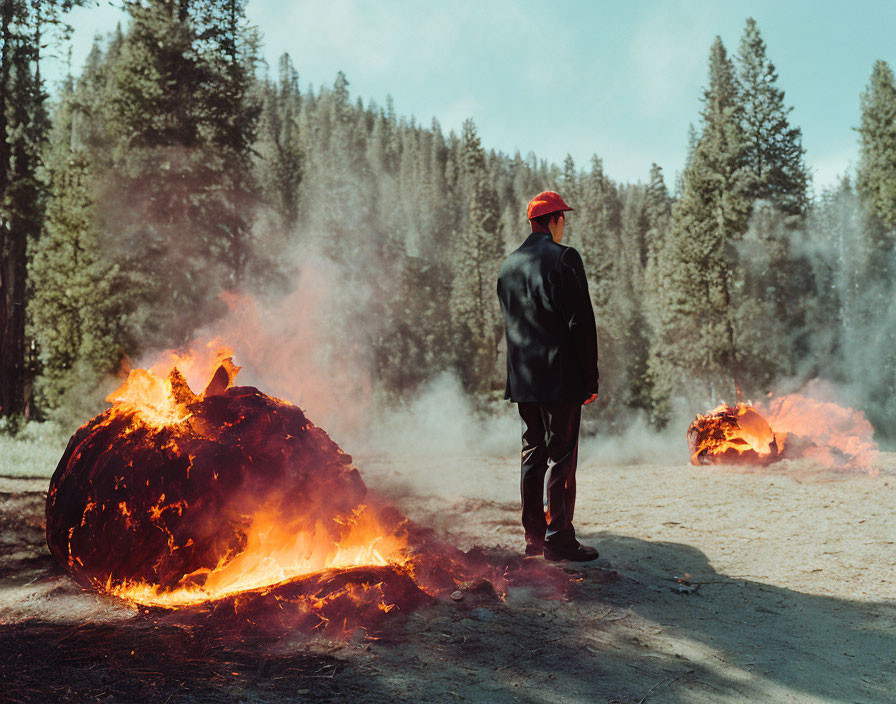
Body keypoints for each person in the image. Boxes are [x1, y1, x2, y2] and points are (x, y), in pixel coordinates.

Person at [496, 190, 599, 562]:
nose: (564, 225)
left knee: (532, 453)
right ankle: (559, 539)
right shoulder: (564, 257)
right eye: (563, 219)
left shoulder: (508, 266)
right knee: (562, 456)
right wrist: (591, 380)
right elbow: (581, 323)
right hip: (562, 379)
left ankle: (533, 538)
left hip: (524, 380)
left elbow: (514, 324)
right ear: (555, 220)